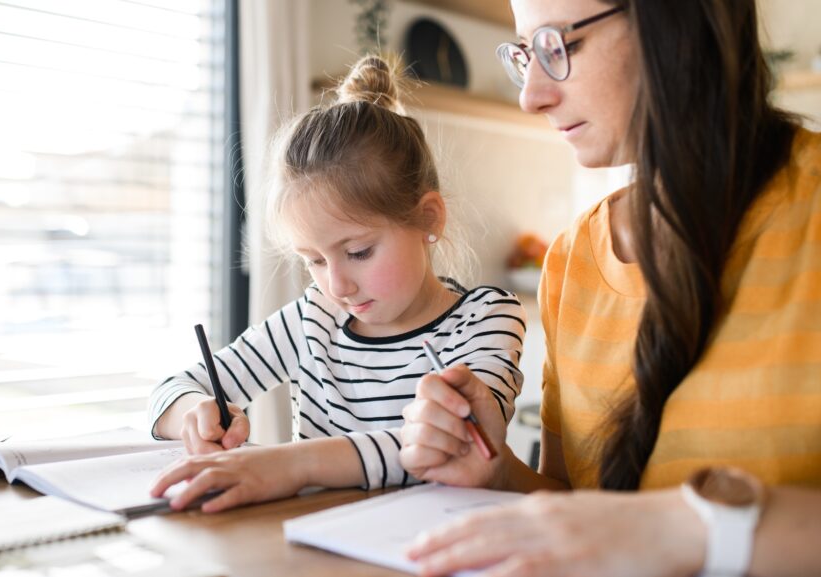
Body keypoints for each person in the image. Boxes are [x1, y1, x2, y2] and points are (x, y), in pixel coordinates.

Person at [398, 1, 821, 576]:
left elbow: (623, 528)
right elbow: (575, 505)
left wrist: (681, 526)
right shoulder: (571, 261)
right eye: (526, 55)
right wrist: (495, 472)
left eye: (558, 46)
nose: (531, 95)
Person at [146, 55, 527, 513]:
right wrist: (195, 414)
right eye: (313, 261)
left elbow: (455, 446)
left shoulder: (485, 319)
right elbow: (173, 388)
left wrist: (292, 465)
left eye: (358, 252)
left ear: (428, 218)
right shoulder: (316, 317)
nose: (338, 285)